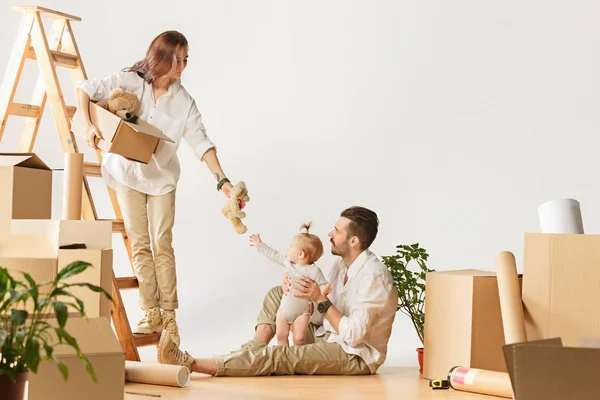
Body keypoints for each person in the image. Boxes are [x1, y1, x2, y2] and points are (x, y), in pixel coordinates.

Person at [75, 31, 240, 346]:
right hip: (127, 172)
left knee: (161, 243)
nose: (183, 66)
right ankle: (150, 311)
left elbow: (201, 143)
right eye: (178, 59)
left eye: (186, 59)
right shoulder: (132, 81)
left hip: (162, 178)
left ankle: (169, 318)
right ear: (161, 58)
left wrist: (223, 180)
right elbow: (85, 87)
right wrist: (87, 123)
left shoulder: (184, 102)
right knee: (139, 243)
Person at [157, 206, 398, 376]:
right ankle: (252, 350)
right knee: (277, 294)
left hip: (354, 355)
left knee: (280, 356)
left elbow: (353, 335)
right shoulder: (340, 265)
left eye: (337, 231)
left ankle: (192, 363)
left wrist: (320, 299)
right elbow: (320, 315)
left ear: (354, 241)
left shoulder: (374, 277)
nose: (329, 234)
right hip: (329, 335)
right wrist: (297, 291)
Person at [249, 222, 330, 346]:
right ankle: (284, 358)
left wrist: (324, 290)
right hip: (283, 310)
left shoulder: (314, 271)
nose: (288, 250)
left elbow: (323, 284)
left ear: (301, 254)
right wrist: (260, 245)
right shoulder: (289, 264)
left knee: (299, 339)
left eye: (291, 247)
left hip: (302, 313)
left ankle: (296, 359)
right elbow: (274, 255)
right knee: (281, 336)